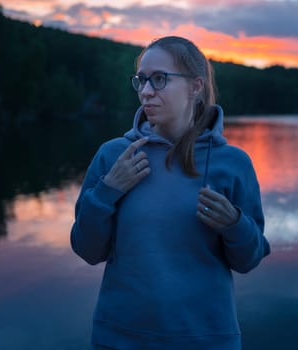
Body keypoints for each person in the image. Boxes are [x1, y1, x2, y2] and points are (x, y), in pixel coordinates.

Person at [70, 36, 270, 350]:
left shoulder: (233, 163)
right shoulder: (114, 156)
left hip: (207, 339)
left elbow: (249, 259)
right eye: (141, 81)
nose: (146, 92)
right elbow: (87, 250)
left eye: (159, 79)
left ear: (195, 86)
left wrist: (234, 223)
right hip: (120, 339)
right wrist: (107, 191)